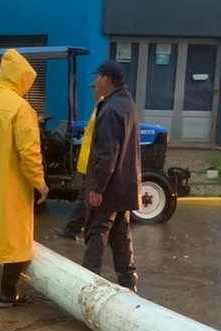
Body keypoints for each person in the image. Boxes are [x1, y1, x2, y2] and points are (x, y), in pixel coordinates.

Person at [0, 49, 49, 308]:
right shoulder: (21, 108)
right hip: (13, 183)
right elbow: (29, 152)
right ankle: (7, 294)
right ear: (21, 78)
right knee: (15, 237)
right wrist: (40, 182)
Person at [81, 60, 141, 292]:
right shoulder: (127, 104)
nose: (94, 83)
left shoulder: (110, 109)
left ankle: (88, 285)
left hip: (109, 186)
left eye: (97, 78)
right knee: (120, 232)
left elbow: (107, 153)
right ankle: (129, 283)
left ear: (105, 79)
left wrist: (97, 187)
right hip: (125, 184)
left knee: (97, 230)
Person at [56, 86, 101, 241]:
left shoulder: (103, 108)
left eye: (95, 88)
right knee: (87, 198)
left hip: (91, 161)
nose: (93, 91)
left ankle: (72, 230)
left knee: (85, 198)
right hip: (88, 160)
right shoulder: (100, 107)